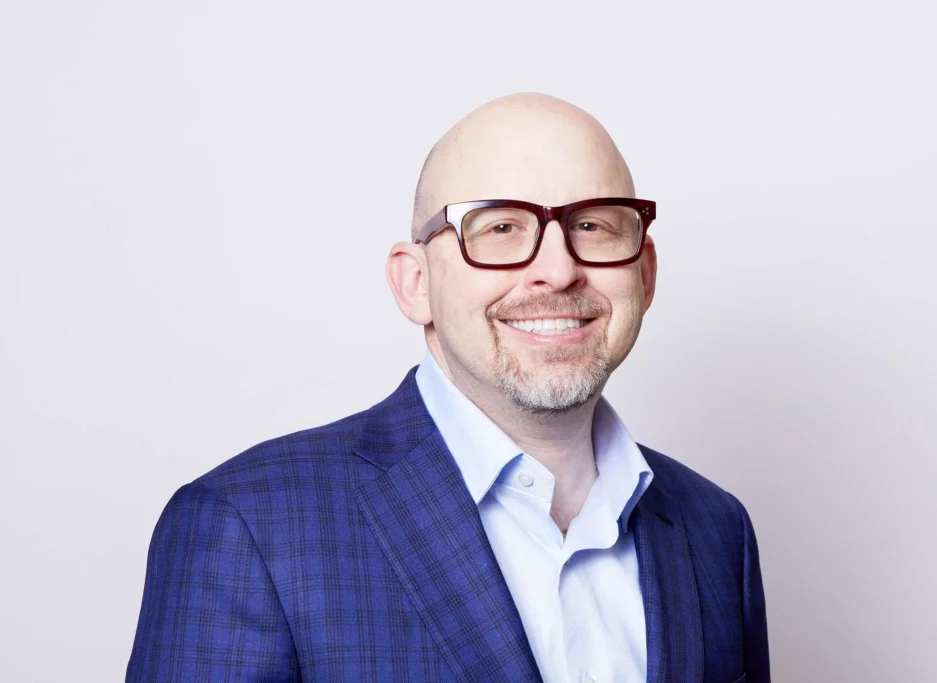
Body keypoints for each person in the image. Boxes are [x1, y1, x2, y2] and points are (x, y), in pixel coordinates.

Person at [126, 93, 770, 683]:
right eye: (500, 228)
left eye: (594, 225)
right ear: (415, 284)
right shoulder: (248, 526)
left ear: (645, 274)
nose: (557, 270)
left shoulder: (715, 530)